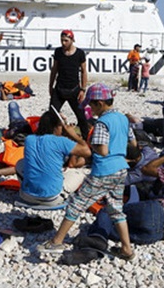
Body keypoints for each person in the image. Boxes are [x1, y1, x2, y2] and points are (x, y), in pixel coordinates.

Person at [38, 83, 136, 260]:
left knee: (76, 203)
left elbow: (103, 150)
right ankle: (126, 249)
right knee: (116, 209)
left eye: (91, 105)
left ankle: (57, 241)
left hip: (103, 171)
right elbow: (133, 144)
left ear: (99, 103)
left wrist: (88, 144)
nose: (90, 109)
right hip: (121, 169)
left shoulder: (102, 123)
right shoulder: (123, 118)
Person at [14, 111, 90, 206]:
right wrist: (73, 135)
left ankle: (32, 188)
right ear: (56, 127)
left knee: (20, 163)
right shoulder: (61, 141)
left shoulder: (29, 139)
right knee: (81, 173)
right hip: (52, 199)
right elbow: (87, 151)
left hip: (26, 196)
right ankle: (62, 194)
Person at [49, 30, 89, 137]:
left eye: (66, 41)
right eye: (62, 40)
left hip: (74, 90)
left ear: (72, 40)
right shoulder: (58, 52)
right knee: (52, 114)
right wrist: (50, 86)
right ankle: (49, 137)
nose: (63, 43)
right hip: (59, 89)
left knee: (81, 116)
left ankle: (86, 139)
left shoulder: (80, 53)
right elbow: (54, 69)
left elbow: (84, 71)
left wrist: (83, 89)